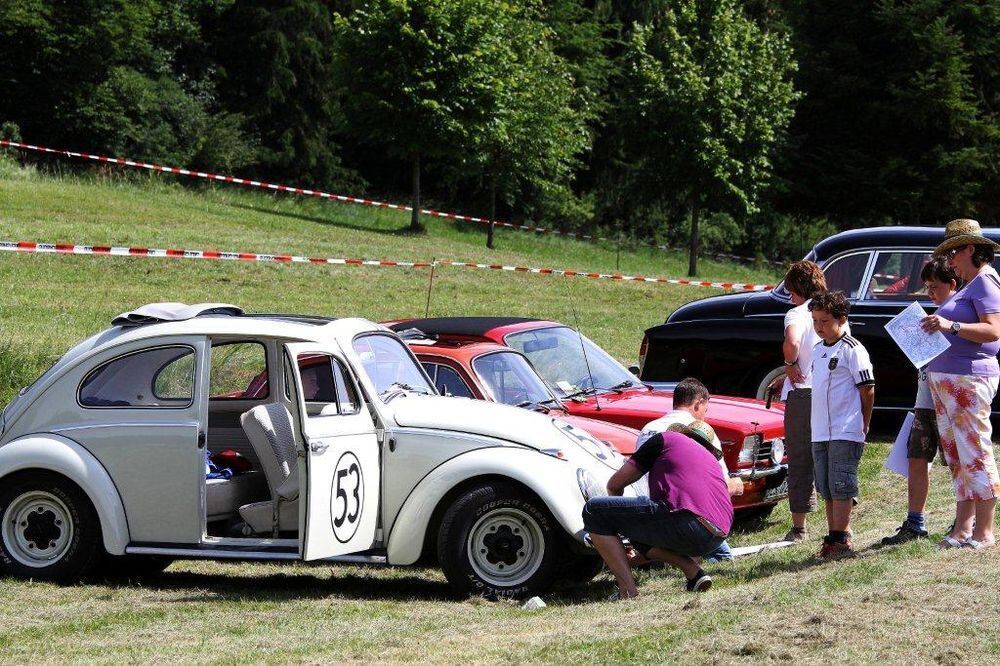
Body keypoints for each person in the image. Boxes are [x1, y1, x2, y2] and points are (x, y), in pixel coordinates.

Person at [582, 420, 734, 598]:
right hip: (717, 538)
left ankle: (627, 591)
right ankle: (693, 572)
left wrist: (616, 527)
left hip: (687, 522)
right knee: (641, 525)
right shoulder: (710, 459)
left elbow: (615, 485)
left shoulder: (666, 439)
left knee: (594, 510)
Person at [920, 219, 1000, 550]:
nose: (949, 259)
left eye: (953, 252)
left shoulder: (985, 283)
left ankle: (984, 531)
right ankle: (963, 528)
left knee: (976, 451)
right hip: (950, 380)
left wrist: (949, 325)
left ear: (970, 249)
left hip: (969, 378)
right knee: (956, 454)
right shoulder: (970, 284)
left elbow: (994, 331)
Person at [881, 258, 960, 545]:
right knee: (916, 457)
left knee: (957, 460)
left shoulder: (959, 317)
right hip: (925, 398)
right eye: (926, 287)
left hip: (949, 399)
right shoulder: (934, 315)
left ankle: (965, 518)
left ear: (952, 284)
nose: (930, 292)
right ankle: (915, 521)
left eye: (935, 286)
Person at [636, 377, 743, 562]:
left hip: (648, 513)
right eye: (705, 410)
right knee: (723, 558)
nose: (704, 416)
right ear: (698, 403)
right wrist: (737, 485)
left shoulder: (648, 429)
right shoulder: (700, 432)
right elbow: (720, 487)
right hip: (685, 515)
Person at [809, 291, 875, 559]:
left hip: (845, 428)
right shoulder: (816, 350)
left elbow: (867, 388)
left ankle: (842, 538)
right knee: (826, 485)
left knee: (842, 483)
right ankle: (833, 536)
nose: (819, 327)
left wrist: (863, 421)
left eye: (824, 321)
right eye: (815, 321)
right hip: (821, 429)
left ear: (841, 319)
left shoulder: (852, 349)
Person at [770, 260, 829, 543]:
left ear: (799, 288)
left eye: (791, 289)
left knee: (800, 458)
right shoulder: (833, 313)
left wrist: (789, 363)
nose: (789, 294)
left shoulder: (796, 313)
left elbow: (793, 343)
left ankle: (799, 527)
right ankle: (839, 520)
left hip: (803, 393)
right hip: (831, 392)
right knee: (828, 453)